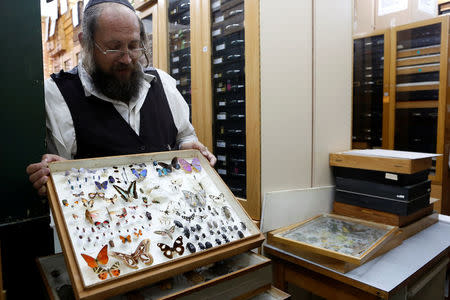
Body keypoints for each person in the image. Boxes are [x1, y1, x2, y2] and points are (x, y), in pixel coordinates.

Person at [27, 0, 216, 196]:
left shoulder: (163, 84)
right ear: (85, 43)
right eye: (114, 47)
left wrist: (188, 147)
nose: (126, 58)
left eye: (133, 46)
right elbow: (56, 174)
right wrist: (50, 176)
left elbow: (184, 135)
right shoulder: (57, 95)